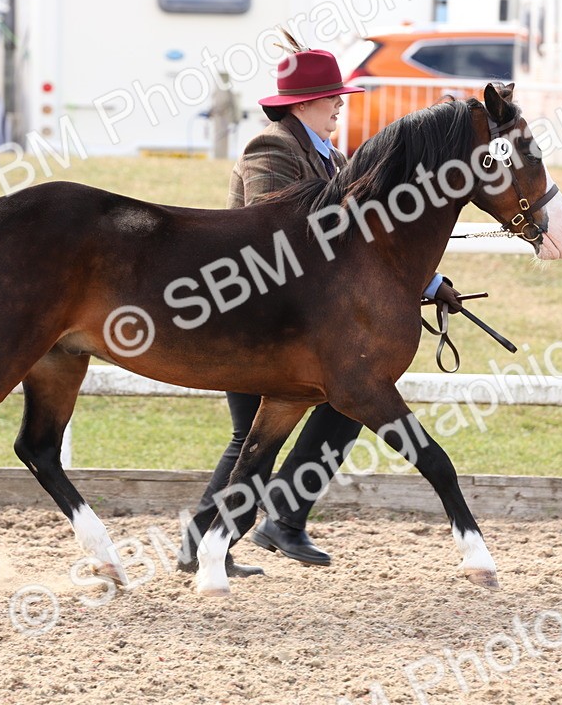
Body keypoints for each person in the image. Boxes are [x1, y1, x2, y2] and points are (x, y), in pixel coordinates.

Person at [177, 35, 464, 577]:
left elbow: (367, 241)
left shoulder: (331, 154)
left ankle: (281, 518)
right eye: (332, 97)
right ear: (303, 103)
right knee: (252, 435)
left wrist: (430, 281)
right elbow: (271, 231)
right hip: (259, 314)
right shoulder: (273, 148)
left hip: (310, 321)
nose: (340, 104)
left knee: (347, 405)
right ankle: (208, 540)